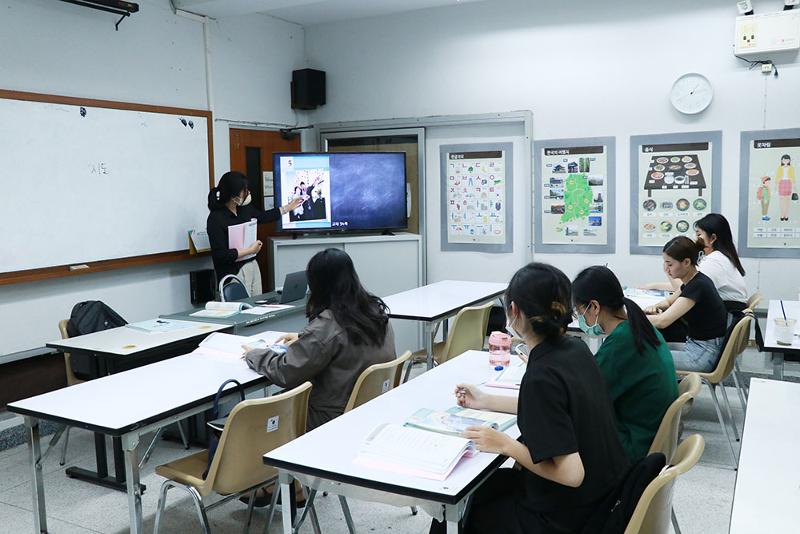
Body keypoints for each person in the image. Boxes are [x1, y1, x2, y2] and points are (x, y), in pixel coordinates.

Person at [430, 263, 628, 534]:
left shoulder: (541, 375)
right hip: (605, 496)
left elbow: (571, 474)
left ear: (514, 312)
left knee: (456, 507)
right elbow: (554, 409)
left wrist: (506, 445)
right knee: (481, 489)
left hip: (569, 516)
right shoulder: (576, 350)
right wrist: (485, 401)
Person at [245, 248, 396, 430]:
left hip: (330, 417)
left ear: (319, 284)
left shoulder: (326, 327)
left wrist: (255, 355)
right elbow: (343, 343)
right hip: (370, 408)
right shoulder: (375, 312)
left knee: (248, 421)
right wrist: (304, 339)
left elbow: (286, 371)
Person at [572, 266, 678, 462]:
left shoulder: (622, 342)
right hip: (648, 435)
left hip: (632, 445)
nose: (580, 319)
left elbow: (583, 397)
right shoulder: (639, 327)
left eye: (580, 311)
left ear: (594, 307)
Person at [206, 171, 301, 295]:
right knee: (242, 309)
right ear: (233, 196)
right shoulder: (215, 219)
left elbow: (263, 216)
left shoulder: (244, 209)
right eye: (244, 190)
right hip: (234, 272)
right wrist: (250, 251)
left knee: (257, 305)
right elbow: (220, 255)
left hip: (252, 265)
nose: (248, 193)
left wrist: (287, 208)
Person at [644, 237, 728, 372]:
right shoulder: (692, 282)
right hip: (697, 347)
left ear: (687, 262)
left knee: (642, 357)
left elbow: (663, 321)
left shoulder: (698, 285)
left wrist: (630, 317)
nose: (666, 269)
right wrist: (656, 307)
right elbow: (668, 301)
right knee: (646, 349)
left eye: (670, 264)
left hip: (702, 355)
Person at [776, 154, 795, 222]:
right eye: (784, 159)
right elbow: (777, 177)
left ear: (789, 160)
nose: (785, 161)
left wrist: (793, 185)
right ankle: (782, 214)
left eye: (787, 159)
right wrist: (776, 184)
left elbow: (793, 177)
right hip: (781, 183)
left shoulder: (791, 168)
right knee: (781, 199)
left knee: (787, 200)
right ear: (782, 160)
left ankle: (786, 215)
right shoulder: (779, 168)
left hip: (788, 183)